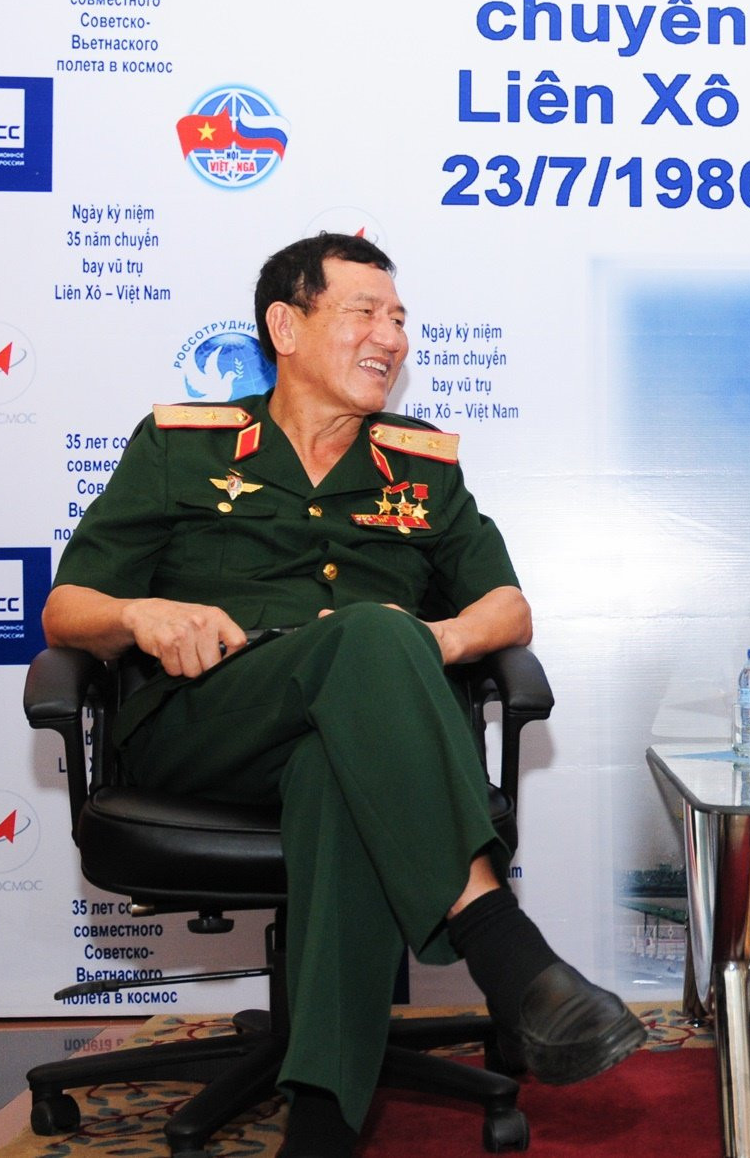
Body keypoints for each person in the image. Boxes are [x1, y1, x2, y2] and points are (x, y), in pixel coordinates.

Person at [43, 232, 643, 1158]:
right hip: (209, 724)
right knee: (367, 636)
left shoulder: (421, 467)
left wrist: (432, 640)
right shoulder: (181, 446)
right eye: (364, 313)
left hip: (362, 740)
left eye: (399, 318)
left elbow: (508, 608)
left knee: (343, 754)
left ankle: (321, 1130)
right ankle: (503, 946)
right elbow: (65, 609)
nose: (390, 337)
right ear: (285, 327)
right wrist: (139, 612)